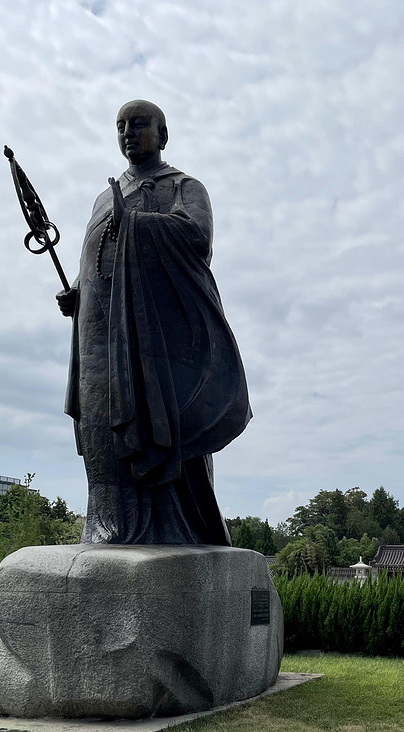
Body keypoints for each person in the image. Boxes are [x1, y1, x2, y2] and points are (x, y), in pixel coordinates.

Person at [56, 100, 251, 545]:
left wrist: (137, 224)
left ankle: (167, 528)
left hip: (154, 338)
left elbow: (196, 238)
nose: (129, 132)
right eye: (121, 126)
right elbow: (95, 257)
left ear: (163, 135)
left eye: (140, 124)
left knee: (154, 423)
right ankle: (105, 523)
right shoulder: (105, 196)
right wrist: (79, 289)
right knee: (99, 418)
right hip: (97, 332)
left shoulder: (184, 186)